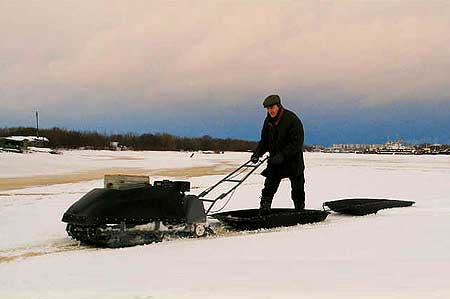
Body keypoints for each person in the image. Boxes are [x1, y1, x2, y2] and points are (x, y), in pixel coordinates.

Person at [251, 94, 305, 213]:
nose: (270, 110)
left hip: (293, 161)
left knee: (297, 188)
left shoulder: (292, 119)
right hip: (275, 161)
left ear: (278, 106)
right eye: (268, 108)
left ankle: (300, 210)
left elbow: (296, 143)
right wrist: (257, 153)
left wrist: (283, 155)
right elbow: (264, 141)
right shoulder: (268, 121)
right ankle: (264, 209)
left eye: (272, 107)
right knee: (269, 187)